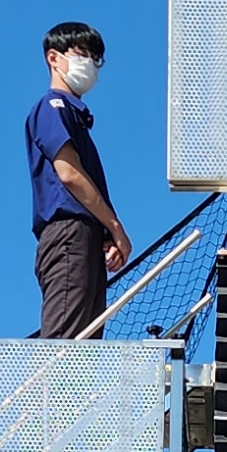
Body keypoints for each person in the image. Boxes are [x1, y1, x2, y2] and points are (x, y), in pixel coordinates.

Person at [26, 22, 133, 337]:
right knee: (65, 342)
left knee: (86, 344)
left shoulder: (76, 118)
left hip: (87, 239)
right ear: (53, 58)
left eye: (95, 58)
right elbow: (69, 173)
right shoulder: (52, 107)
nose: (90, 64)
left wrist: (104, 235)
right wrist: (115, 227)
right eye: (81, 54)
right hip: (68, 234)